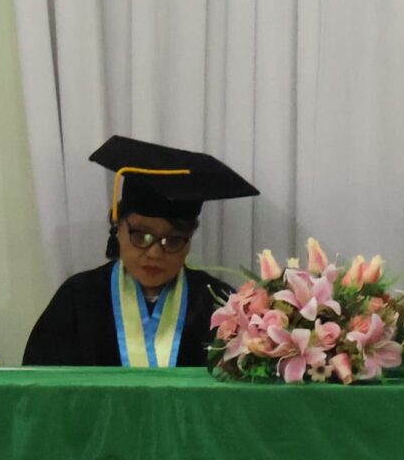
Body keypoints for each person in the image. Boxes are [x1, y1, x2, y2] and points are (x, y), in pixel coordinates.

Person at [23, 136, 258, 367]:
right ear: (117, 226)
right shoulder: (77, 299)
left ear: (188, 241)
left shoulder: (218, 304)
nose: (155, 254)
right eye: (142, 236)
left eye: (173, 240)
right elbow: (42, 383)